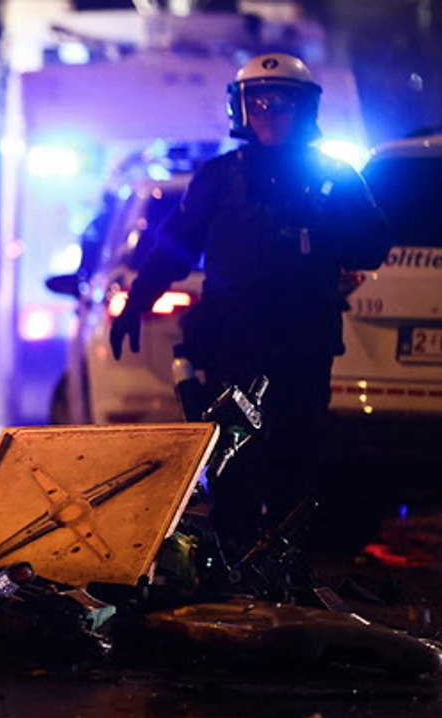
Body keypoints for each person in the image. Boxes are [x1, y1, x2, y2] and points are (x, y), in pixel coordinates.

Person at [108, 53, 391, 554]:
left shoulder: (335, 177)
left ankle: (284, 568)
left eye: (281, 102)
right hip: (231, 346)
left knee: (296, 459)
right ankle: (234, 568)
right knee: (232, 462)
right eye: (258, 101)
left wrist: (330, 219)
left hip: (303, 346)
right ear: (241, 109)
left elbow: (373, 245)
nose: (270, 112)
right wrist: (137, 301)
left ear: (304, 110)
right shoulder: (218, 177)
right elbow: (176, 243)